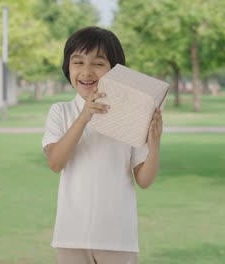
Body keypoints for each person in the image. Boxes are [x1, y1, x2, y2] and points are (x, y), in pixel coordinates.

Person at [42, 26, 163, 264]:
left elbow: (144, 180)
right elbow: (56, 162)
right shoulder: (61, 111)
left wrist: (155, 143)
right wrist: (85, 115)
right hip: (71, 237)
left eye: (98, 63)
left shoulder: (132, 115)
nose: (86, 72)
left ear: (115, 71)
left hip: (118, 238)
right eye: (78, 62)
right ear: (68, 66)